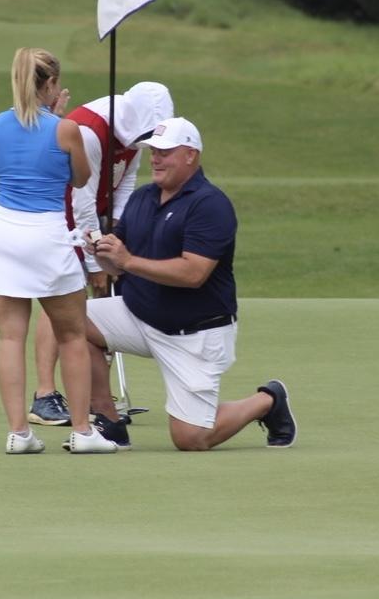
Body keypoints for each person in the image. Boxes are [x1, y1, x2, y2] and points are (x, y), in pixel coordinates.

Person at [76, 116, 298, 451]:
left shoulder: (210, 204)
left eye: (165, 152)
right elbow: (118, 265)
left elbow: (194, 273)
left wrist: (127, 261)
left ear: (191, 155)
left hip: (195, 333)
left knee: (191, 438)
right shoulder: (142, 198)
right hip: (139, 315)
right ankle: (109, 422)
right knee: (70, 318)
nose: (155, 159)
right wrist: (102, 252)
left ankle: (268, 400)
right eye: (153, 151)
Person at [0, 47, 118, 454]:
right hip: (45, 234)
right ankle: (83, 432)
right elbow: (81, 177)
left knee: (9, 337)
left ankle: (19, 434)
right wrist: (58, 118)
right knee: (72, 335)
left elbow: (9, 162)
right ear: (51, 84)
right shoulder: (66, 129)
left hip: (0, 231)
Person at [28, 82, 174, 427]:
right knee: (63, 298)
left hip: (94, 219)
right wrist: (96, 263)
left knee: (97, 310)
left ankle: (98, 400)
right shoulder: (90, 132)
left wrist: (117, 232)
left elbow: (125, 182)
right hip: (61, 218)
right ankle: (44, 396)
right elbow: (81, 201)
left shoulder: (136, 135)